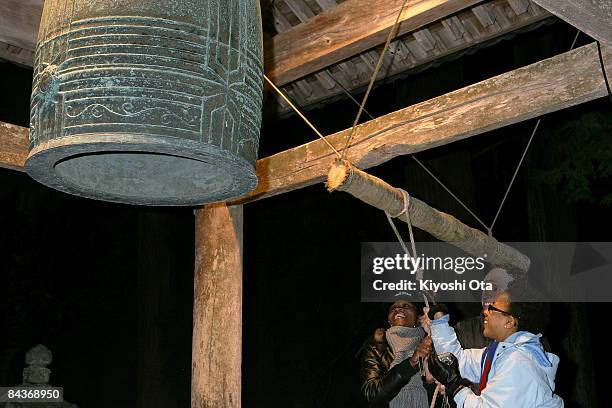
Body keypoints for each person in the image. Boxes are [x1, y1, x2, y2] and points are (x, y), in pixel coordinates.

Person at [424, 278, 564, 407]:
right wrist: (439, 320)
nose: (486, 311)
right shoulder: (502, 354)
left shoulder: (520, 363)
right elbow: (457, 359)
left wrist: (456, 387)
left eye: (493, 307)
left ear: (509, 322)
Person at [360, 300, 433, 408]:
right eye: (393, 308)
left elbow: (447, 390)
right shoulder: (377, 347)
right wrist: (411, 363)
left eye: (406, 305)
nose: (398, 309)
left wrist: (429, 380)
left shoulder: (432, 342)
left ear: (419, 319)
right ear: (389, 321)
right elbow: (372, 394)